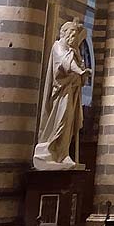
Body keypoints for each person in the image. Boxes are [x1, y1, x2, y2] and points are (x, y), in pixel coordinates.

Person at [33, 21, 91, 169]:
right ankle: (53, 149)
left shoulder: (74, 50)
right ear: (64, 33)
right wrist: (80, 72)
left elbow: (77, 64)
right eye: (72, 34)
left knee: (69, 123)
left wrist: (82, 74)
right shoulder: (58, 46)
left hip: (71, 92)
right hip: (61, 94)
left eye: (76, 35)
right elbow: (65, 63)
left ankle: (63, 153)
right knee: (62, 120)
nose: (74, 37)